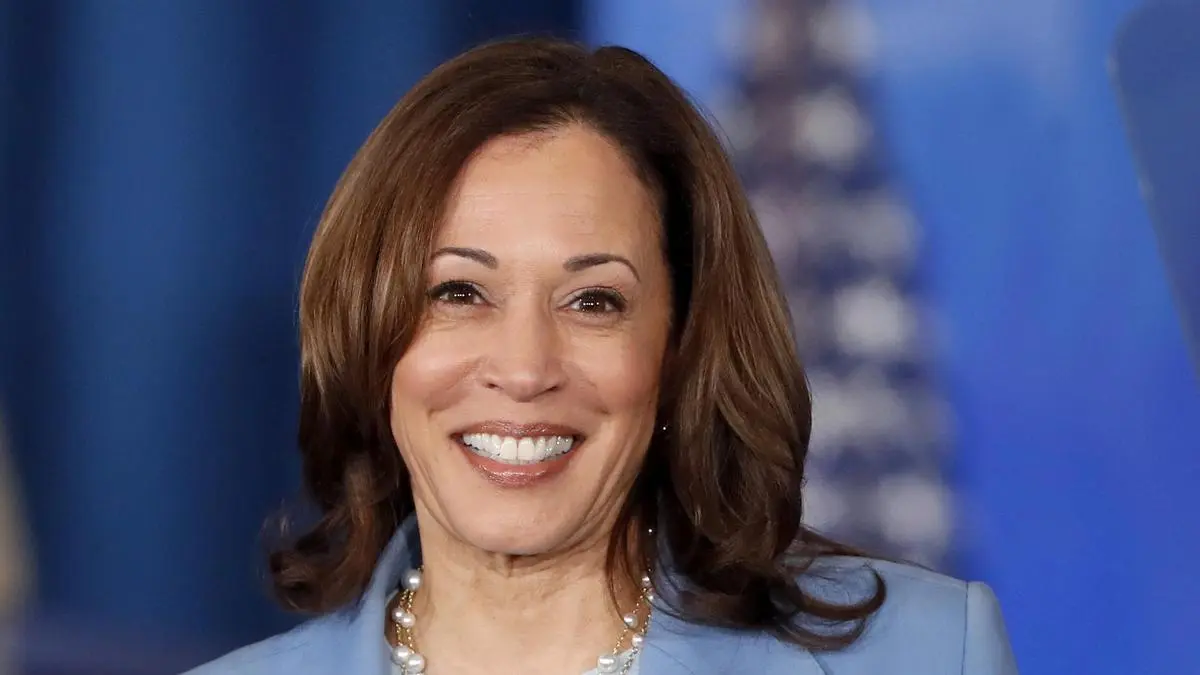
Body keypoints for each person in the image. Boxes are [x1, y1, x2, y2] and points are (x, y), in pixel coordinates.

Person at [186, 38, 1018, 675]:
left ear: (680, 345)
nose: (524, 368)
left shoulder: (926, 653)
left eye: (594, 301)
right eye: (460, 292)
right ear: (371, 339)